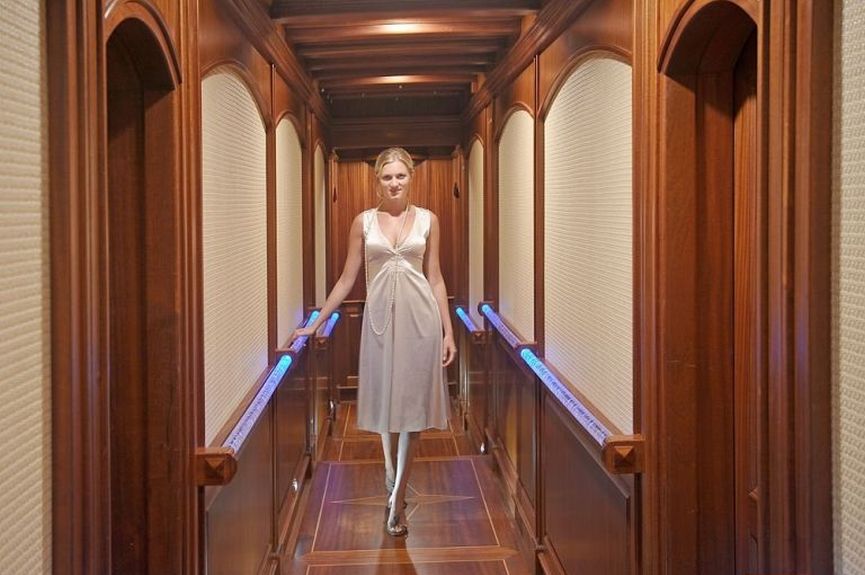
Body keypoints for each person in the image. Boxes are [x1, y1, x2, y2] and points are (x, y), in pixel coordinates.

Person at [290, 147, 457, 537]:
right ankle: (389, 473)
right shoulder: (363, 222)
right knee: (385, 401)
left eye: (401, 176)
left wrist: (448, 331)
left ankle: (397, 500)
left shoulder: (428, 220)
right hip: (379, 322)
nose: (394, 183)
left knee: (412, 410)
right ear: (377, 181)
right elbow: (347, 278)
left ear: (411, 177)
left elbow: (435, 277)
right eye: (387, 177)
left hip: (421, 322)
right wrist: (316, 323)